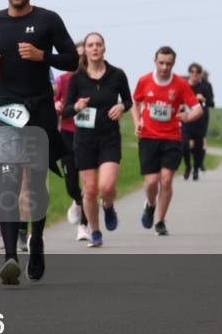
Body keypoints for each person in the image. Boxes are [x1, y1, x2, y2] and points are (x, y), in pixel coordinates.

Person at [0, 0, 78, 284]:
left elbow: (72, 59)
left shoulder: (48, 20)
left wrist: (42, 56)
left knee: (34, 183)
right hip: (6, 110)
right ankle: (10, 258)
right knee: (8, 182)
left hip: (40, 110)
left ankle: (38, 240)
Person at [62, 32, 132, 248]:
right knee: (90, 190)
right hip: (84, 140)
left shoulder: (117, 75)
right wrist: (77, 107)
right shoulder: (77, 79)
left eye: (98, 45)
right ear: (87, 50)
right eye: (90, 45)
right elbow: (65, 110)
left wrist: (121, 106)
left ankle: (109, 206)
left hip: (109, 137)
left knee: (107, 186)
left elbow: (128, 100)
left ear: (104, 48)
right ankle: (95, 231)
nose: (94, 48)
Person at [130, 47, 203, 237]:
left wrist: (188, 116)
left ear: (173, 64)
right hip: (148, 137)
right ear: (155, 61)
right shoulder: (145, 80)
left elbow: (198, 108)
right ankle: (150, 205)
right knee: (152, 182)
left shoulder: (180, 84)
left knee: (167, 179)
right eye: (161, 63)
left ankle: (160, 221)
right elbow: (134, 103)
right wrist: (137, 122)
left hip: (171, 137)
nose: (164, 67)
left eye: (168, 64)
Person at [54, 41, 89, 241]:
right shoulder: (63, 79)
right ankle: (77, 200)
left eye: (83, 57)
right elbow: (55, 101)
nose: (80, 60)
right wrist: (57, 104)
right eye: (77, 56)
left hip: (88, 135)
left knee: (88, 184)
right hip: (67, 133)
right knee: (71, 184)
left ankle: (83, 226)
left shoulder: (94, 79)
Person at [180, 62, 214, 181]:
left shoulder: (205, 86)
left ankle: (196, 169)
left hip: (201, 120)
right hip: (186, 119)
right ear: (189, 73)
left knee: (198, 147)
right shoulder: (183, 85)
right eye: (192, 72)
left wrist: (203, 99)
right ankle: (188, 166)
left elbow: (211, 103)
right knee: (184, 145)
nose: (195, 74)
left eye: (197, 72)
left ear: (201, 74)